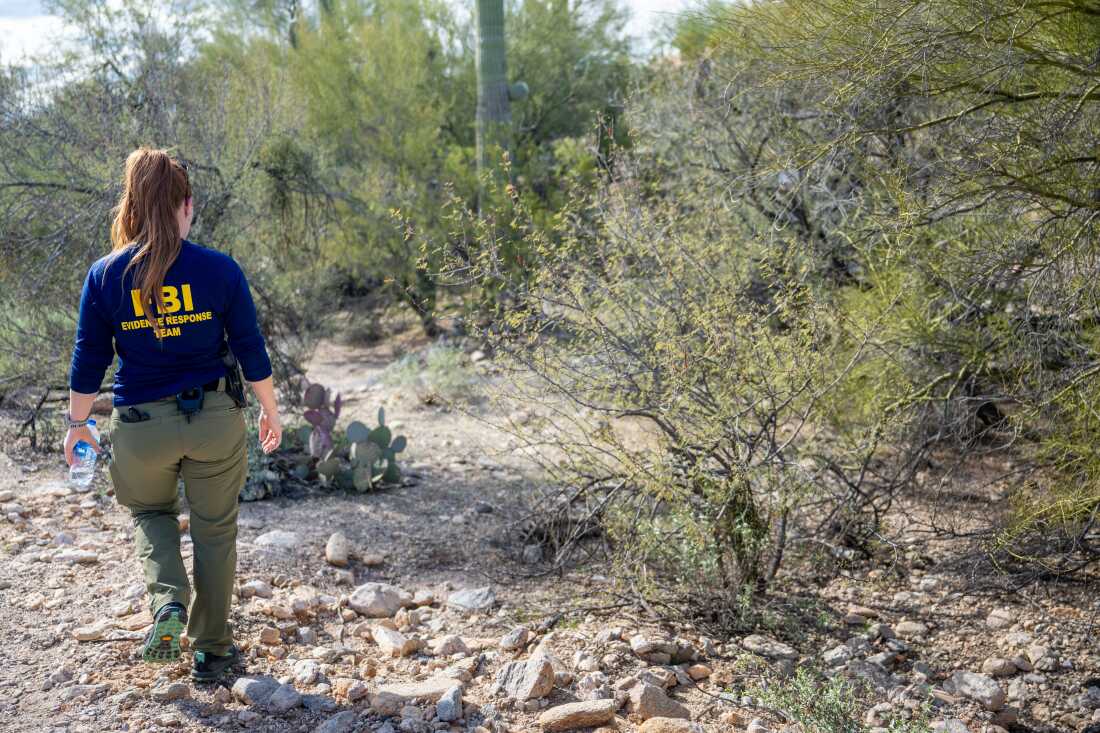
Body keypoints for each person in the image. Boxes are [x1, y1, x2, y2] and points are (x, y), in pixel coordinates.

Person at [64, 146, 283, 682]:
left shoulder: (105, 274)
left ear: (132, 208)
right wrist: (271, 411)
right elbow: (251, 348)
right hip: (212, 420)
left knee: (150, 515)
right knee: (214, 531)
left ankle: (167, 604)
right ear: (186, 206)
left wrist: (77, 424)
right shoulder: (220, 270)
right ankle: (212, 650)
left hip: (140, 427)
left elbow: (88, 357)